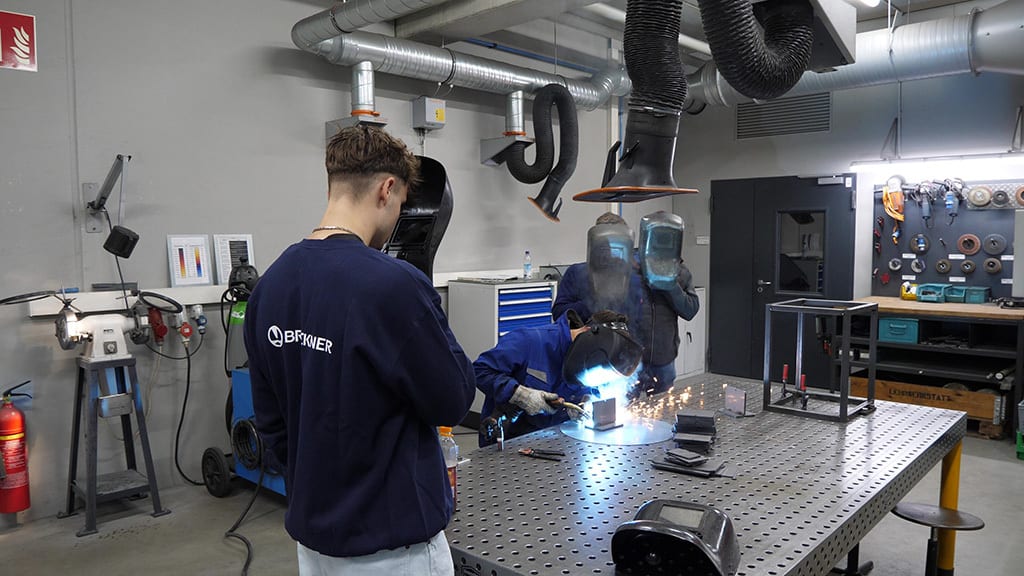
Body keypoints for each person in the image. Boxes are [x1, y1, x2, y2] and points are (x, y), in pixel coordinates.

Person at [243, 126, 475, 576]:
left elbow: (273, 427)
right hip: (396, 550)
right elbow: (452, 399)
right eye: (402, 205)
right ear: (388, 189)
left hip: (314, 547)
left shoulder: (270, 287)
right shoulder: (394, 286)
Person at [552, 212, 699, 396]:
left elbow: (689, 309)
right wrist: (594, 300)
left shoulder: (652, 266)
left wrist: (666, 281)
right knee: (619, 416)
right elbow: (559, 314)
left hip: (660, 360)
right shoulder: (579, 273)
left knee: (662, 414)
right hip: (612, 361)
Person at [474, 310, 642, 445]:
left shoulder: (595, 362)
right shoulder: (529, 341)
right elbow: (479, 370)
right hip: (508, 442)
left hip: (556, 444)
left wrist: (586, 402)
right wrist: (519, 394)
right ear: (587, 332)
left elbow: (592, 393)